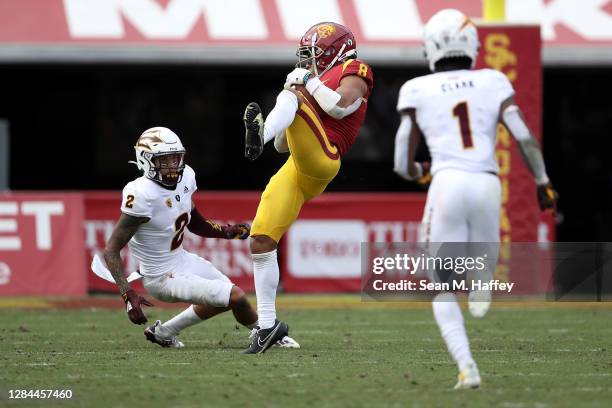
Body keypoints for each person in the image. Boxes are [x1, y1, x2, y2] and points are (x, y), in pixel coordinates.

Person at [393, 9, 558, 389]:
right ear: (472, 45)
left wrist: (420, 172)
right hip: (487, 181)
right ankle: (482, 277)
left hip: (448, 181)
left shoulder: (417, 88)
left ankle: (468, 367)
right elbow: (523, 135)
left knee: (441, 285)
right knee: (481, 258)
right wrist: (543, 181)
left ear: (430, 48)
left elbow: (402, 161)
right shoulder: (492, 80)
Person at [241, 22, 374, 354]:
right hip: (296, 166)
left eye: (313, 56)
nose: (308, 62)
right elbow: (284, 148)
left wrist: (304, 85)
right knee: (260, 240)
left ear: (335, 51)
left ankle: (260, 132)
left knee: (293, 92)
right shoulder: (311, 83)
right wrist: (288, 109)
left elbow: (340, 107)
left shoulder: (354, 70)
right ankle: (267, 327)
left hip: (325, 156)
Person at [103, 126, 299, 349]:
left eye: (176, 158)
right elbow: (111, 250)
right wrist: (128, 295)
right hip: (160, 277)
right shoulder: (141, 194)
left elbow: (194, 221)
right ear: (146, 160)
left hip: (182, 260)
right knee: (236, 296)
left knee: (227, 296)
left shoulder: (186, 176)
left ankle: (163, 332)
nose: (173, 166)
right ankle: (267, 333)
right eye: (164, 160)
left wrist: (225, 232)